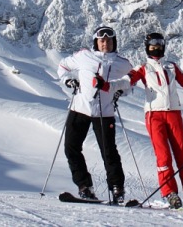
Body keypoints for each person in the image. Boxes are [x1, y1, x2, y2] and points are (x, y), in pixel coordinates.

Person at [93, 32, 183, 210]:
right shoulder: (143, 68)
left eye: (159, 46)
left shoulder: (172, 67)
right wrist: (106, 85)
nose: (156, 49)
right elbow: (125, 82)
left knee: (182, 155)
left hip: (174, 113)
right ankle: (170, 193)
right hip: (154, 115)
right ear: (147, 48)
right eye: (152, 46)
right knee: (163, 156)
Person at [57, 25, 133, 203]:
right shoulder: (84, 56)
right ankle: (85, 187)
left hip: (104, 112)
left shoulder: (123, 64)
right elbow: (62, 66)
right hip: (80, 108)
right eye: (102, 40)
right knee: (71, 147)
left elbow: (131, 82)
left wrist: (121, 92)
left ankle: (117, 188)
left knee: (108, 152)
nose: (105, 43)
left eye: (109, 40)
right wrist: (68, 80)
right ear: (96, 42)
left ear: (114, 42)